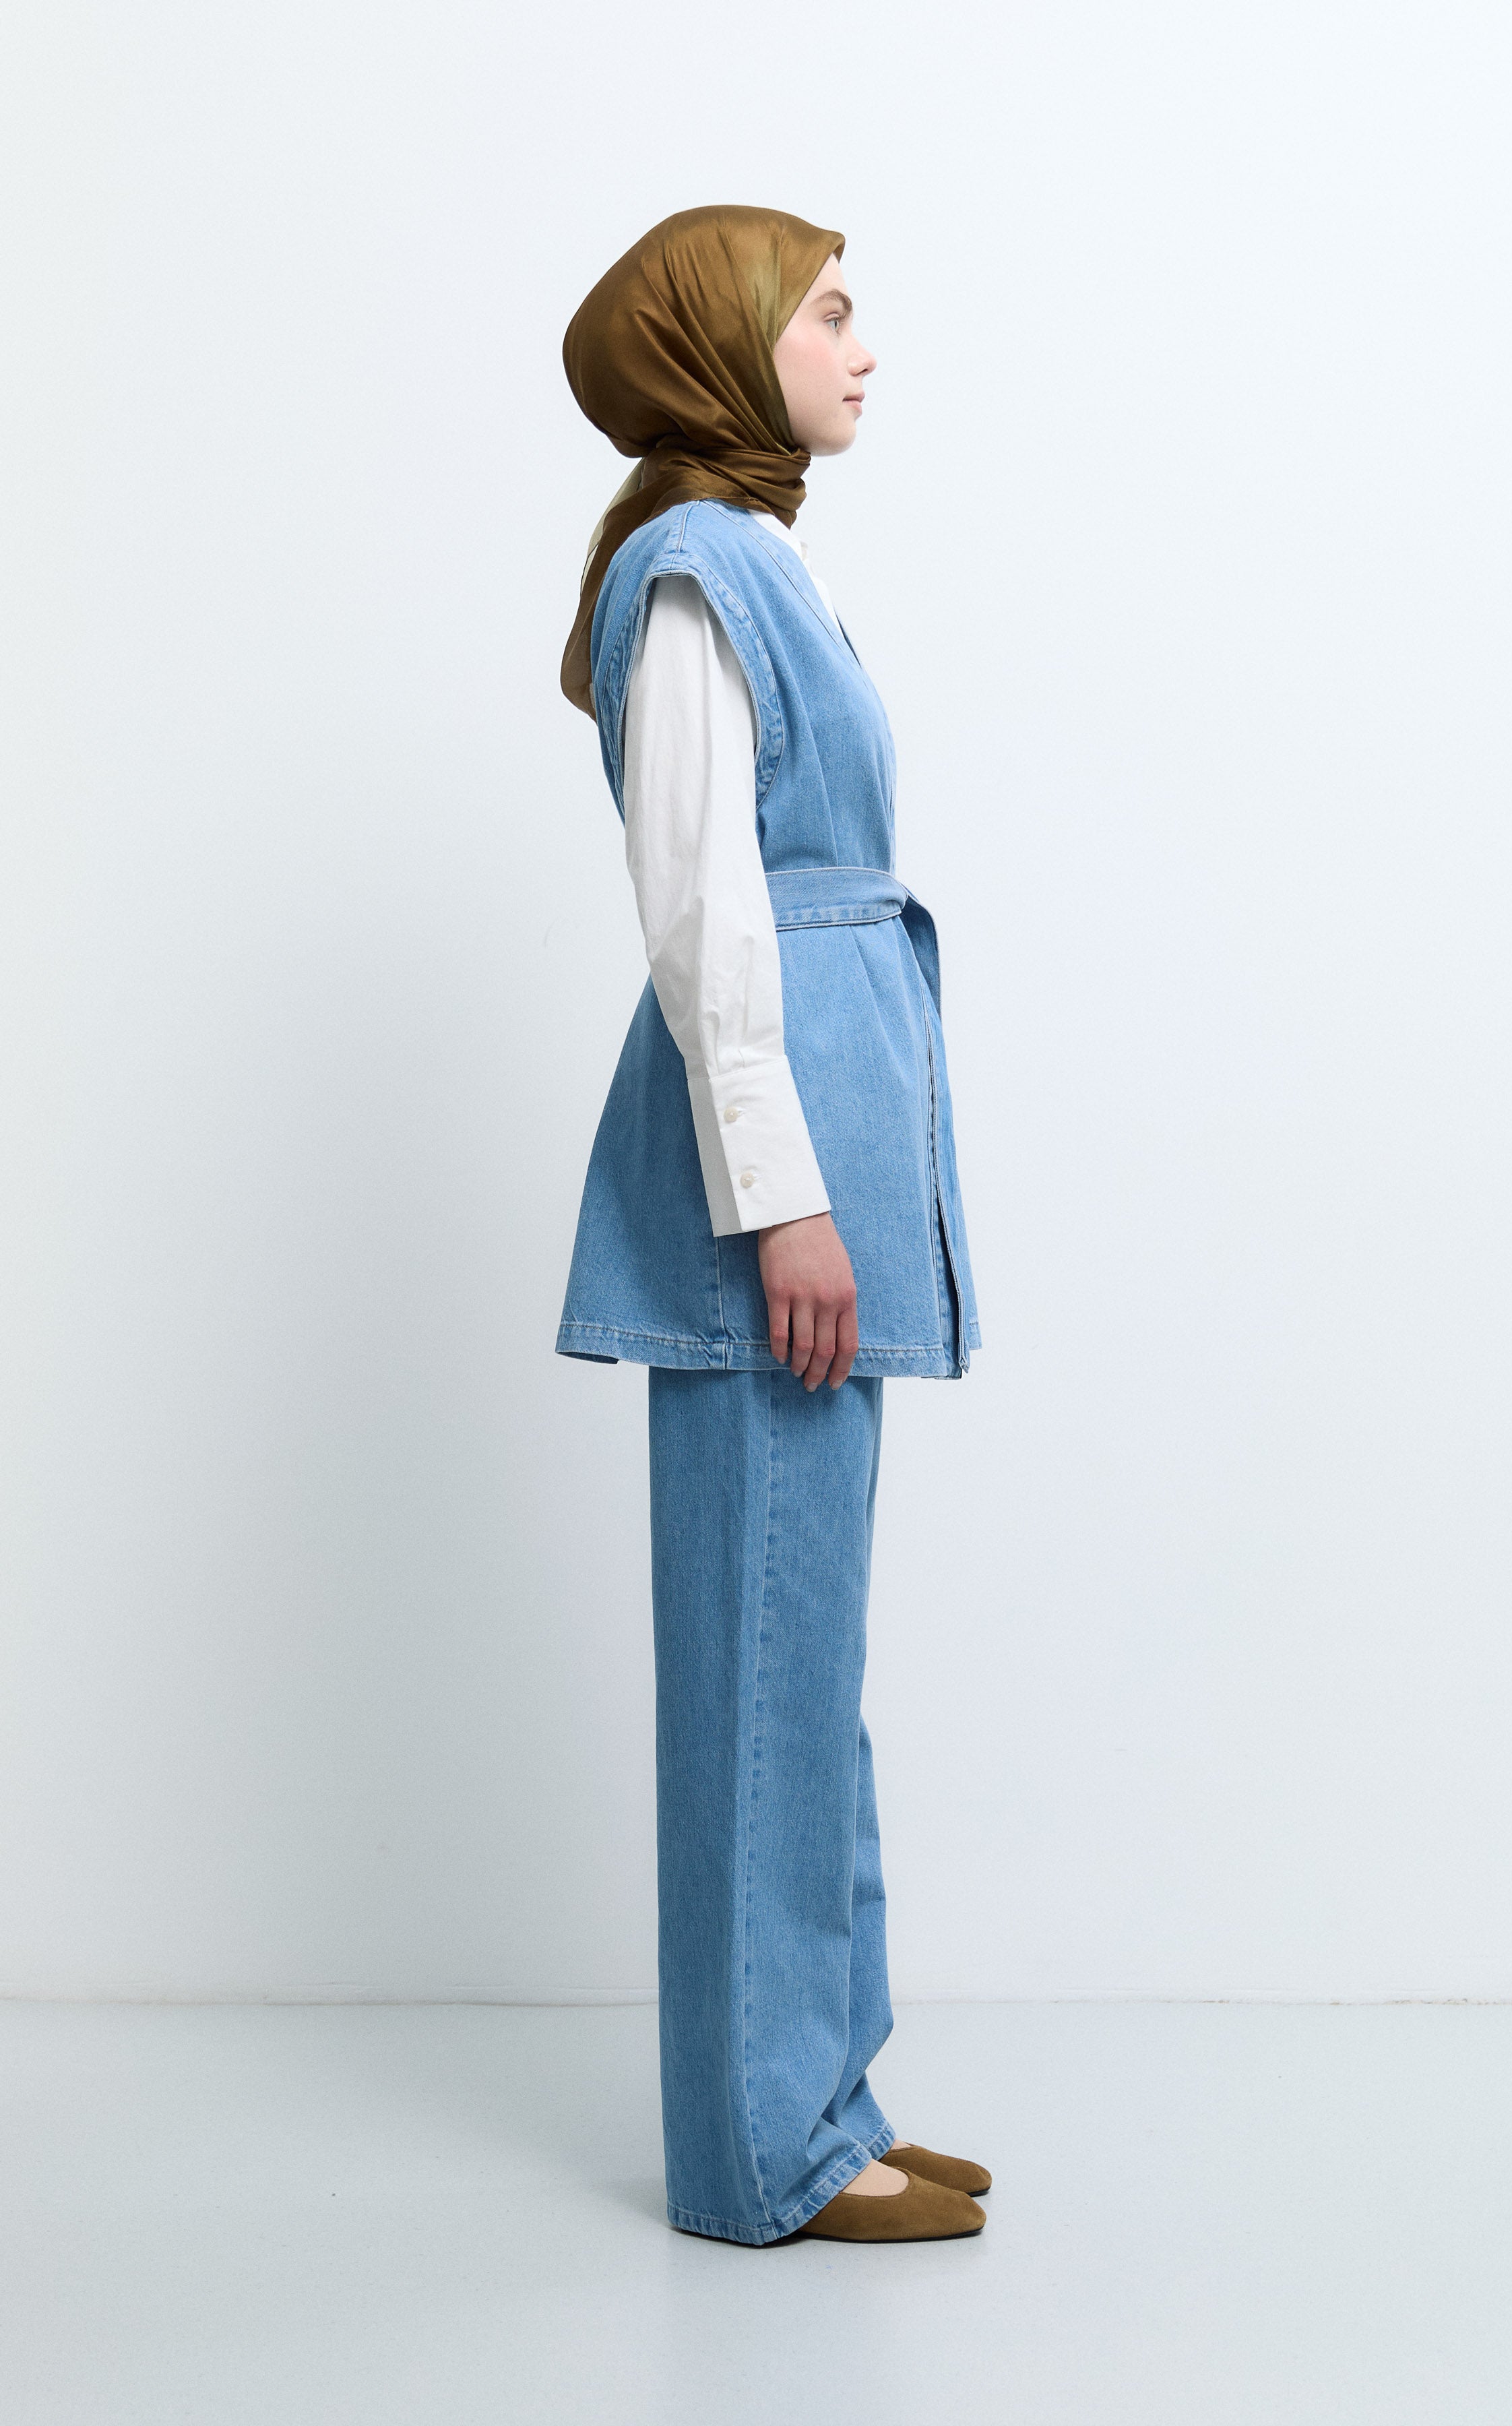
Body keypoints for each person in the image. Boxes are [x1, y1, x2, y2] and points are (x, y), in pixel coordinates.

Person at [556, 206, 985, 2245]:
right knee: (760, 1658)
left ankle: (825, 2095)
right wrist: (786, 1200)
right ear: (730, 342)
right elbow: (700, 908)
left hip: (817, 1164)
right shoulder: (694, 575)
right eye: (828, 311)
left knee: (806, 1651)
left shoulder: (752, 558)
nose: (861, 347)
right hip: (773, 1196)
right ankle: (763, 2156)